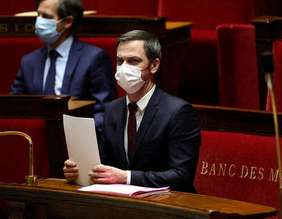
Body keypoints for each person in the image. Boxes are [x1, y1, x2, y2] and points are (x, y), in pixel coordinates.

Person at [64, 30, 201, 192]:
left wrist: (127, 177)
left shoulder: (179, 112)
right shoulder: (112, 109)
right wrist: (80, 171)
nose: (124, 68)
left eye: (133, 61)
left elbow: (181, 176)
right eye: (120, 61)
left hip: (168, 204)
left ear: (154, 65)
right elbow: (105, 164)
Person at [10, 0, 117, 129]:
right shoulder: (29, 61)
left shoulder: (94, 58)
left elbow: (105, 110)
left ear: (67, 22)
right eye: (38, 15)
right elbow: (15, 108)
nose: (39, 22)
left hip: (80, 140)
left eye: (47, 17)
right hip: (36, 139)